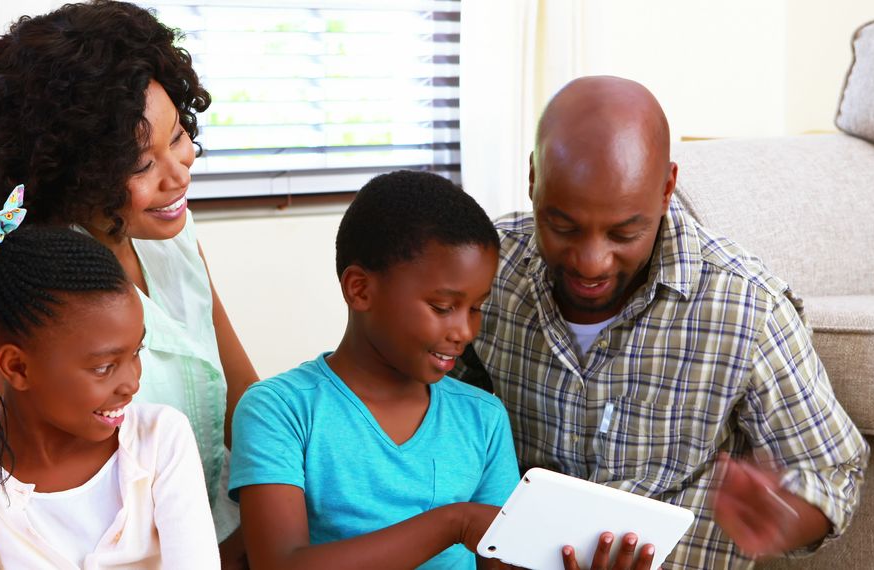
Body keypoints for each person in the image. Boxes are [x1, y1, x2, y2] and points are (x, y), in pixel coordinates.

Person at [455, 76, 869, 569]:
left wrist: (788, 514)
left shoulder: (746, 308)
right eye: (562, 227)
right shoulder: (491, 270)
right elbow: (437, 416)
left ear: (668, 186)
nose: (591, 262)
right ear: (533, 179)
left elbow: (832, 475)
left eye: (624, 232)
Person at [0, 1, 253, 559]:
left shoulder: (174, 241)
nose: (180, 172)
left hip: (226, 531)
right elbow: (22, 510)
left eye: (178, 136)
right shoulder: (26, 305)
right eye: (142, 164)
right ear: (70, 173)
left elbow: (242, 400)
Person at [228, 171, 656, 570]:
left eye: (476, 308)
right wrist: (454, 524)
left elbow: (500, 561)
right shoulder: (280, 411)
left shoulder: (482, 418)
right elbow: (280, 563)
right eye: (442, 307)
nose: (465, 330)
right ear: (360, 289)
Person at [0, 187, 220, 569]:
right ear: (17, 367)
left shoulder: (162, 439)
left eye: (136, 353)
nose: (132, 383)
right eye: (104, 367)